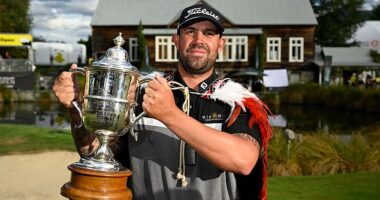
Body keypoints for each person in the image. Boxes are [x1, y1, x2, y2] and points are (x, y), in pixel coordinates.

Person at [52, 3, 272, 200]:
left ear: (220, 44)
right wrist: (78, 107)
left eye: (209, 33)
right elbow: (94, 150)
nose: (199, 40)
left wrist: (169, 114)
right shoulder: (142, 93)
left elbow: (243, 161)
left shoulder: (237, 101)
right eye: (190, 31)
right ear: (176, 40)